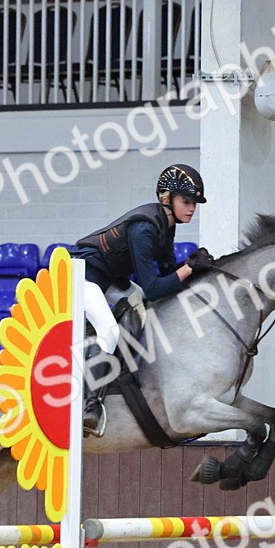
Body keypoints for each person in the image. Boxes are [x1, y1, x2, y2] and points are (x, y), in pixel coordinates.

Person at [71, 163, 216, 436]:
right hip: (83, 275)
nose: (192, 209)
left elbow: (166, 276)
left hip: (109, 277)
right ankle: (89, 406)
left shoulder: (166, 225)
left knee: (139, 304)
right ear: (166, 199)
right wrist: (188, 269)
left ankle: (127, 372)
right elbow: (153, 288)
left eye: (194, 203)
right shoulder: (145, 229)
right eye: (186, 201)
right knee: (109, 330)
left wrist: (194, 268)